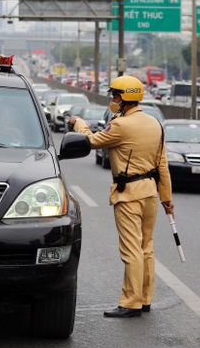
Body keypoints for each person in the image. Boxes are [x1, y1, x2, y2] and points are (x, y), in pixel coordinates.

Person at [68, 75, 173, 318]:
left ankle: (131, 302)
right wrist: (166, 198)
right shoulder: (155, 124)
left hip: (128, 194)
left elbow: (91, 141)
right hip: (150, 193)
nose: (112, 100)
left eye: (115, 96)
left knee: (131, 250)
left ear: (125, 98)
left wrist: (79, 123)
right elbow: (163, 164)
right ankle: (145, 299)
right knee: (146, 247)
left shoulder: (120, 126)